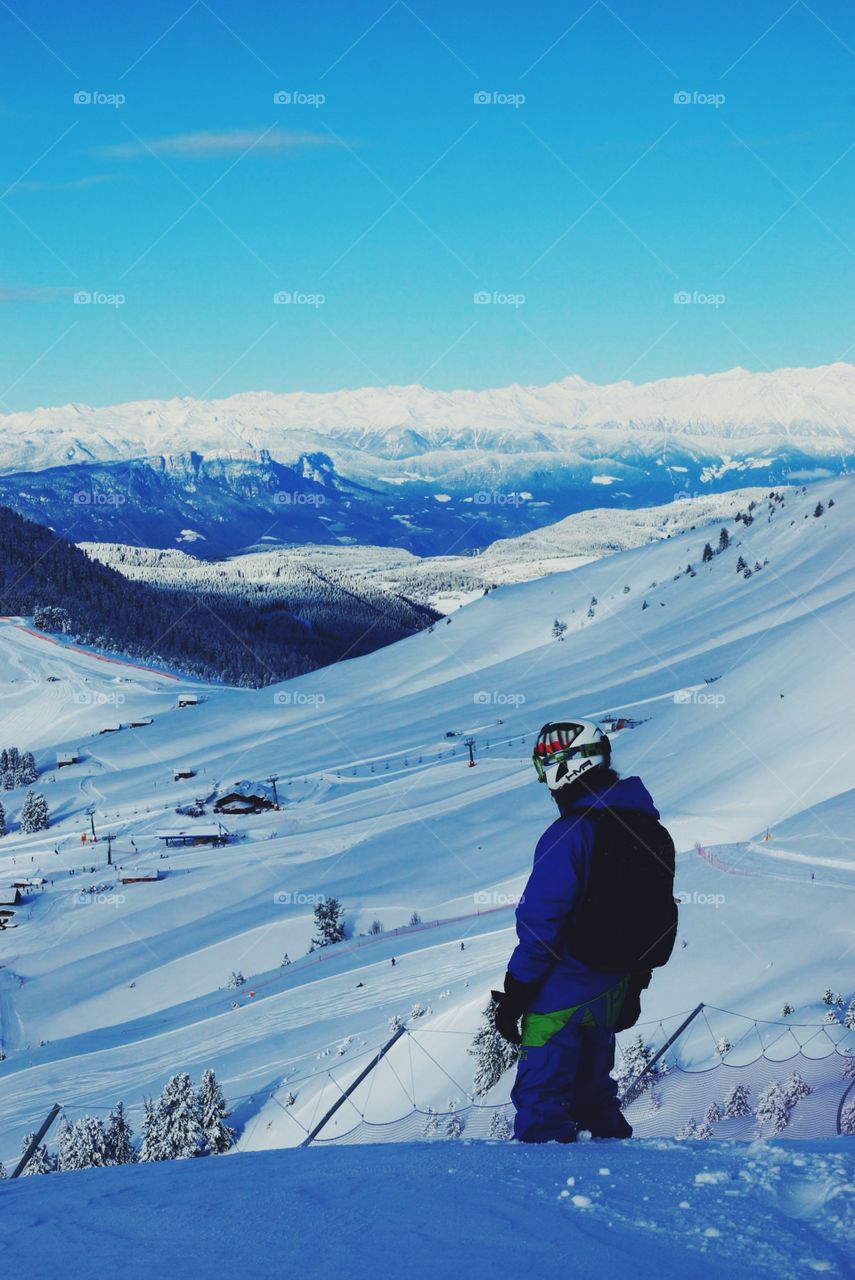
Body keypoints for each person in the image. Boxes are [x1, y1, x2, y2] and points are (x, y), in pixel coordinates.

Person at [493, 719, 677, 1143]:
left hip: (562, 991)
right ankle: (610, 1184)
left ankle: (541, 1199)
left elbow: (542, 922)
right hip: (613, 989)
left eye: (545, 768)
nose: (545, 781)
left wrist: (516, 992)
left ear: (569, 765)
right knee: (594, 1094)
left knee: (542, 1099)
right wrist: (634, 986)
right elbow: (655, 915)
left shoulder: (571, 833)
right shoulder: (650, 830)